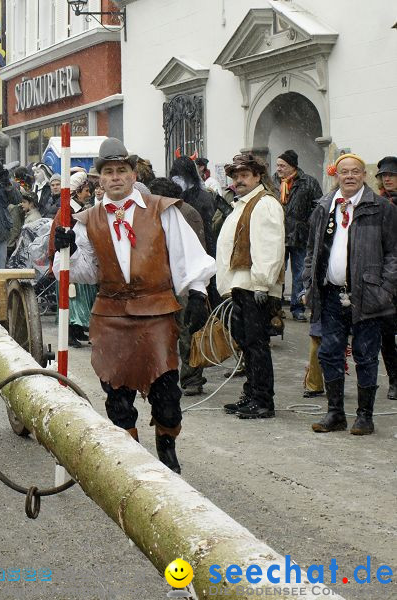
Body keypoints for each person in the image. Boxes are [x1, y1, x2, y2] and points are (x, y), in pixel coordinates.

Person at [53, 138, 216, 473]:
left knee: (167, 397)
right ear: (99, 179)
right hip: (110, 314)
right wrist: (65, 250)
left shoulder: (162, 209)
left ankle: (167, 450)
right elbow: (83, 274)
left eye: (121, 171)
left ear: (131, 174)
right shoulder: (87, 220)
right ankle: (132, 460)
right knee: (116, 395)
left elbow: (187, 255)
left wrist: (198, 292)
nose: (115, 177)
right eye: (108, 172)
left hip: (156, 311)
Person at [303, 153, 397, 435]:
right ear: (337, 175)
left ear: (364, 175)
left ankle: (364, 416)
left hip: (367, 295)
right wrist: (309, 282)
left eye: (356, 171)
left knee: (366, 355)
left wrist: (385, 289)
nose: (350, 176)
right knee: (330, 353)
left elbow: (393, 253)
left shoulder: (381, 208)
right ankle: (335, 414)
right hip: (331, 294)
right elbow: (311, 250)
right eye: (344, 172)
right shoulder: (323, 207)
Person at [216, 154, 285, 419]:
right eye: (235, 176)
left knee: (257, 345)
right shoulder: (242, 204)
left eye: (244, 175)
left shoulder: (264, 203)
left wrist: (262, 283)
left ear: (257, 176)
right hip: (241, 285)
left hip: (254, 286)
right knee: (246, 343)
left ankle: (263, 400)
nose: (239, 180)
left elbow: (269, 245)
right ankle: (251, 393)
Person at [148, 177, 210, 396]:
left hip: (182, 282)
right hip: (159, 282)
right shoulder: (152, 213)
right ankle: (164, 375)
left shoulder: (187, 214)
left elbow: (196, 250)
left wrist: (198, 288)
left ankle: (192, 377)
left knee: (187, 330)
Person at [273, 150, 323, 322]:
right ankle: (275, 307)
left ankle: (297, 307)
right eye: (278, 165)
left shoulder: (308, 182)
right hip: (277, 234)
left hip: (300, 235)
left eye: (282, 166)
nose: (278, 169)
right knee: (277, 271)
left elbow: (318, 206)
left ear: (292, 166)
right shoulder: (273, 182)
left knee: (300, 272)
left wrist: (307, 223)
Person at [66, 172, 97, 348]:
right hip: (71, 260)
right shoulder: (68, 209)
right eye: (86, 191)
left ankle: (77, 330)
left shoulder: (79, 208)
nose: (89, 194)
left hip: (80, 260)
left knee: (79, 301)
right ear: (77, 192)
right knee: (72, 301)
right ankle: (70, 334)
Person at [375, 156, 397, 399]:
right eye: (384, 175)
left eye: (392, 175)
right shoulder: (378, 204)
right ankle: (394, 379)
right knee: (386, 334)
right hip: (386, 278)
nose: (388, 178)